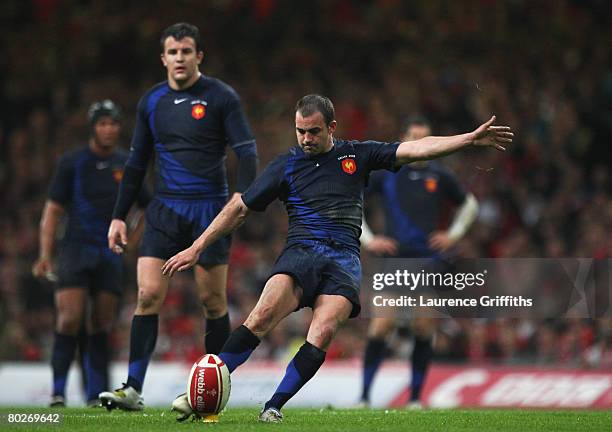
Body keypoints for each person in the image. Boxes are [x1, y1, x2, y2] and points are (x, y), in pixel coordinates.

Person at [163, 94, 512, 423]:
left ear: (331, 127)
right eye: (300, 131)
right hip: (300, 254)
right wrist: (197, 246)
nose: (306, 138)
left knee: (324, 330)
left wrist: (466, 139)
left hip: (343, 261)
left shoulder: (357, 155)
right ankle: (204, 389)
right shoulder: (285, 165)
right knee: (262, 315)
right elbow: (239, 208)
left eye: (313, 131)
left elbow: (415, 149)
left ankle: (273, 406)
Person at [99, 22, 258, 410]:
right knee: (148, 294)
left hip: (210, 211)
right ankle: (133, 389)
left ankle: (215, 387)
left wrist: (244, 197)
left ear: (198, 56)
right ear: (163, 58)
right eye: (173, 52)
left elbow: (248, 151)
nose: (180, 58)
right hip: (165, 210)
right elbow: (136, 165)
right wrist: (119, 216)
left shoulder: (221, 97)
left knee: (212, 302)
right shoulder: (151, 102)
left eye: (187, 51)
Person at [357, 116, 479, 409]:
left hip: (427, 261)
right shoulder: (386, 173)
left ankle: (414, 399)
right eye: (414, 137)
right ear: (403, 139)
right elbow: (352, 201)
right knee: (381, 326)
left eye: (425, 138)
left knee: (424, 328)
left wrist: (453, 234)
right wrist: (369, 239)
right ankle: (363, 397)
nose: (420, 143)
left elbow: (470, 204)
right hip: (395, 261)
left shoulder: (440, 174)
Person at [32, 100, 148, 407]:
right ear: (92, 127)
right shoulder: (72, 163)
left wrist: (132, 241)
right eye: (102, 123)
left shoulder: (127, 163)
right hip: (75, 250)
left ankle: (95, 394)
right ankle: (58, 392)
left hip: (109, 253)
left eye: (113, 123)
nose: (108, 129)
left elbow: (148, 207)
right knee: (69, 319)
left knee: (100, 323)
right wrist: (45, 253)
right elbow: (53, 211)